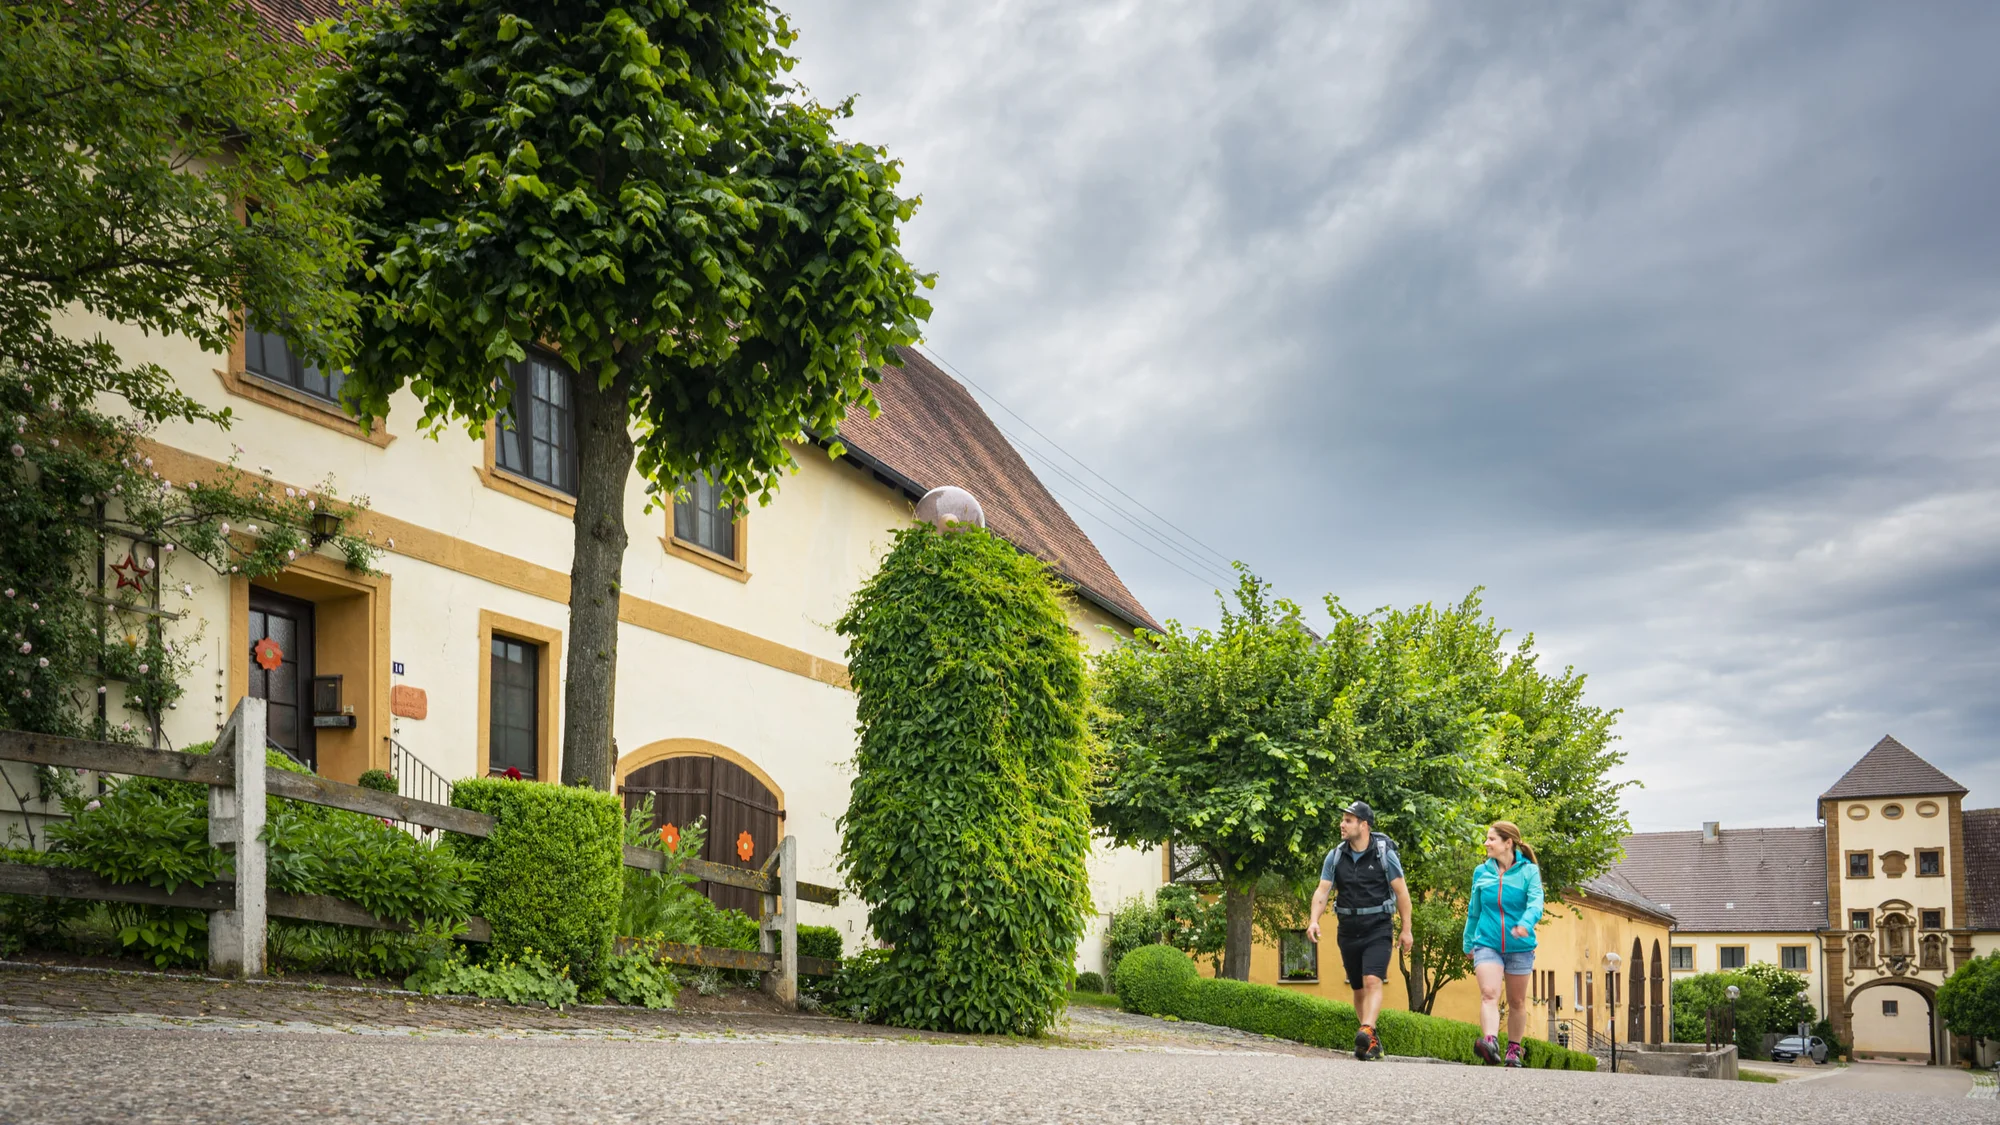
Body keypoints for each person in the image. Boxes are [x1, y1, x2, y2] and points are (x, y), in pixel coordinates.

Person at [1306, 800, 1412, 1061]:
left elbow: (1402, 893)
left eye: (1348, 820)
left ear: (1364, 825)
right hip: (1348, 929)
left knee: (1372, 980)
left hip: (1378, 926)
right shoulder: (1335, 856)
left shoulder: (1384, 854)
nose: (1342, 825)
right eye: (1343, 820)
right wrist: (1313, 920)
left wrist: (1406, 929)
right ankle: (1371, 1040)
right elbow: (1322, 891)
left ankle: (1366, 1029)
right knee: (1358, 988)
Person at [1462, 820, 1545, 1067]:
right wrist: (1468, 941)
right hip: (1487, 942)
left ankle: (1514, 1050)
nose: (1486, 843)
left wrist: (1525, 924)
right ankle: (1490, 1043)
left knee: (1516, 1002)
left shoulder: (1528, 871)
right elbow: (1474, 910)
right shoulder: (1481, 872)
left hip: (1520, 946)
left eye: (1491, 839)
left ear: (1508, 843)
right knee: (1489, 993)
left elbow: (1536, 903)